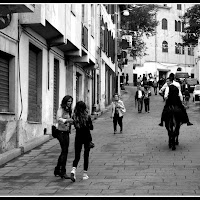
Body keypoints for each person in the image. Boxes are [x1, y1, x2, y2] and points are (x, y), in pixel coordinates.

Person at [70, 101, 94, 182]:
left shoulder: (74, 116)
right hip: (87, 137)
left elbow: (74, 125)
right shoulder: (87, 116)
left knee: (77, 155)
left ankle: (73, 170)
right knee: (86, 155)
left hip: (78, 137)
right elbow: (91, 127)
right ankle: (84, 174)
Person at [54, 95, 74, 179]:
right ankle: (63, 171)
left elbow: (70, 120)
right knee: (64, 151)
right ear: (65, 101)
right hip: (60, 132)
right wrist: (66, 120)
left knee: (64, 151)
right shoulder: (61, 109)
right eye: (68, 101)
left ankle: (58, 169)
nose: (69, 103)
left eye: (70, 101)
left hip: (66, 132)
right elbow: (58, 118)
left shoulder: (69, 110)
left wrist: (72, 122)